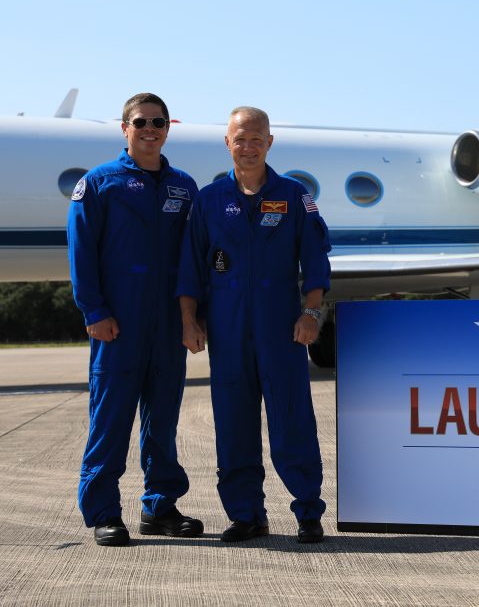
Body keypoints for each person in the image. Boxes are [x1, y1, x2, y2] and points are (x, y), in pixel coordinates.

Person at [177, 106, 330, 543]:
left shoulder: (294, 196)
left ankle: (307, 511)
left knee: (292, 419)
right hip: (227, 331)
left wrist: (312, 313)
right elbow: (190, 268)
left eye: (256, 138)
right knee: (234, 424)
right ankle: (246, 515)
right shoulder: (208, 200)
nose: (248, 147)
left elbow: (316, 261)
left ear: (269, 142)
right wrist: (190, 321)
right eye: (239, 139)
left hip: (281, 329)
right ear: (228, 143)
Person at [67, 93, 203, 546]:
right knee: (110, 419)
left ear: (168, 128)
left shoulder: (184, 187)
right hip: (118, 322)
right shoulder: (99, 183)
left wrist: (192, 317)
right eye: (141, 121)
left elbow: (194, 257)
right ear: (124, 128)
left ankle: (160, 507)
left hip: (168, 322)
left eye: (159, 122)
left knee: (161, 420)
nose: (150, 129)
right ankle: (104, 511)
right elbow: (81, 253)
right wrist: (95, 311)